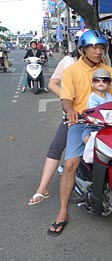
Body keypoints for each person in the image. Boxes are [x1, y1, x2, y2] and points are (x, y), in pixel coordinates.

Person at [47, 30, 112, 237]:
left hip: (108, 122)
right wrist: (70, 110)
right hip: (82, 122)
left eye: (101, 47)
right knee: (70, 164)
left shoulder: (108, 70)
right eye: (93, 47)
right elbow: (66, 98)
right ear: (82, 49)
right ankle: (63, 211)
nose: (98, 52)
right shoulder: (71, 72)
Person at [28, 47, 82, 205]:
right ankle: (42, 188)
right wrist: (68, 99)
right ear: (80, 48)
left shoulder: (100, 63)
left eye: (98, 47)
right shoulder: (67, 62)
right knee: (56, 148)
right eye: (89, 46)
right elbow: (52, 84)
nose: (95, 50)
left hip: (96, 115)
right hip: (72, 115)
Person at [82, 68, 112, 144]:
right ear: (92, 84)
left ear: (109, 85)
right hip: (95, 125)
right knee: (86, 138)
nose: (101, 82)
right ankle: (92, 154)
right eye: (97, 80)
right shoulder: (92, 97)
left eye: (105, 80)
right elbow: (95, 111)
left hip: (109, 123)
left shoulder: (109, 96)